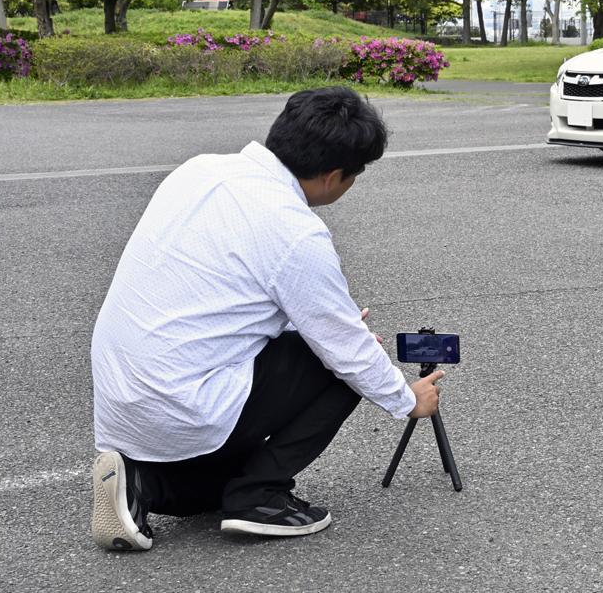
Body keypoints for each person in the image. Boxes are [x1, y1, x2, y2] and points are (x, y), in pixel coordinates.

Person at [90, 87, 442, 551]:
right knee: (354, 359)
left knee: (211, 483)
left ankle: (143, 483)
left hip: (126, 402)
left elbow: (227, 297)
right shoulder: (295, 231)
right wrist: (407, 399)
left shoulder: (199, 170)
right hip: (185, 404)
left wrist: (314, 325)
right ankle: (259, 498)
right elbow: (347, 350)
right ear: (335, 177)